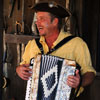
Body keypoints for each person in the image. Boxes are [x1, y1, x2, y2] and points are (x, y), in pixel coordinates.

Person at [16, 1, 96, 100]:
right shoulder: (33, 44)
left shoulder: (76, 44)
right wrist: (19, 70)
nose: (37, 23)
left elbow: (90, 74)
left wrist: (79, 81)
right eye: (37, 19)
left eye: (42, 19)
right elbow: (22, 67)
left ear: (55, 22)